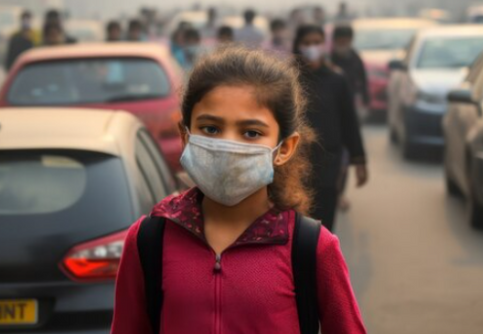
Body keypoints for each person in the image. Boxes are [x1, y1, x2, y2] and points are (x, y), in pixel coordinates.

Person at [111, 47, 367, 334]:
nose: (229, 145)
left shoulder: (310, 248)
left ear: (284, 149)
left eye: (251, 133)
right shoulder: (149, 240)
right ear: (186, 136)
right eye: (210, 129)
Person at [294, 25, 368, 231]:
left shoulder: (337, 79)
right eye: (307, 43)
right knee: (295, 225)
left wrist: (359, 159)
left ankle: (321, 261)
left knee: (323, 223)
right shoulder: (287, 79)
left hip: (328, 161)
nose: (312, 48)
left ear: (324, 45)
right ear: (298, 45)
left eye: (316, 42)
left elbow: (349, 122)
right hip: (294, 161)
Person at [331, 25, 370, 109]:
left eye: (345, 42)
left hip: (351, 100)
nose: (343, 45)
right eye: (340, 42)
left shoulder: (355, 59)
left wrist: (365, 99)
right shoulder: (328, 60)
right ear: (335, 41)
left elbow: (363, 79)